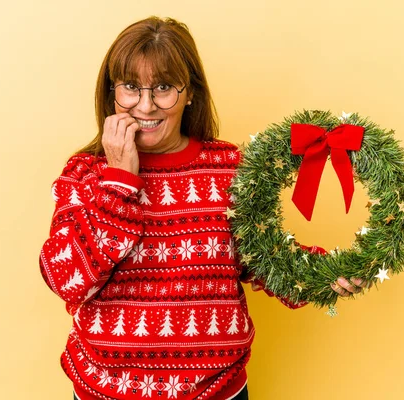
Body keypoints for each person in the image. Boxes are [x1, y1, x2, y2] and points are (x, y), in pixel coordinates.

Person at [38, 16, 370, 400]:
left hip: (215, 390)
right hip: (106, 390)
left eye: (163, 87)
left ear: (190, 92)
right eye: (131, 87)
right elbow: (66, 280)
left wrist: (323, 276)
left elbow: (262, 259)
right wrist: (119, 183)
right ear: (112, 92)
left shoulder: (230, 167)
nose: (145, 105)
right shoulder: (85, 173)